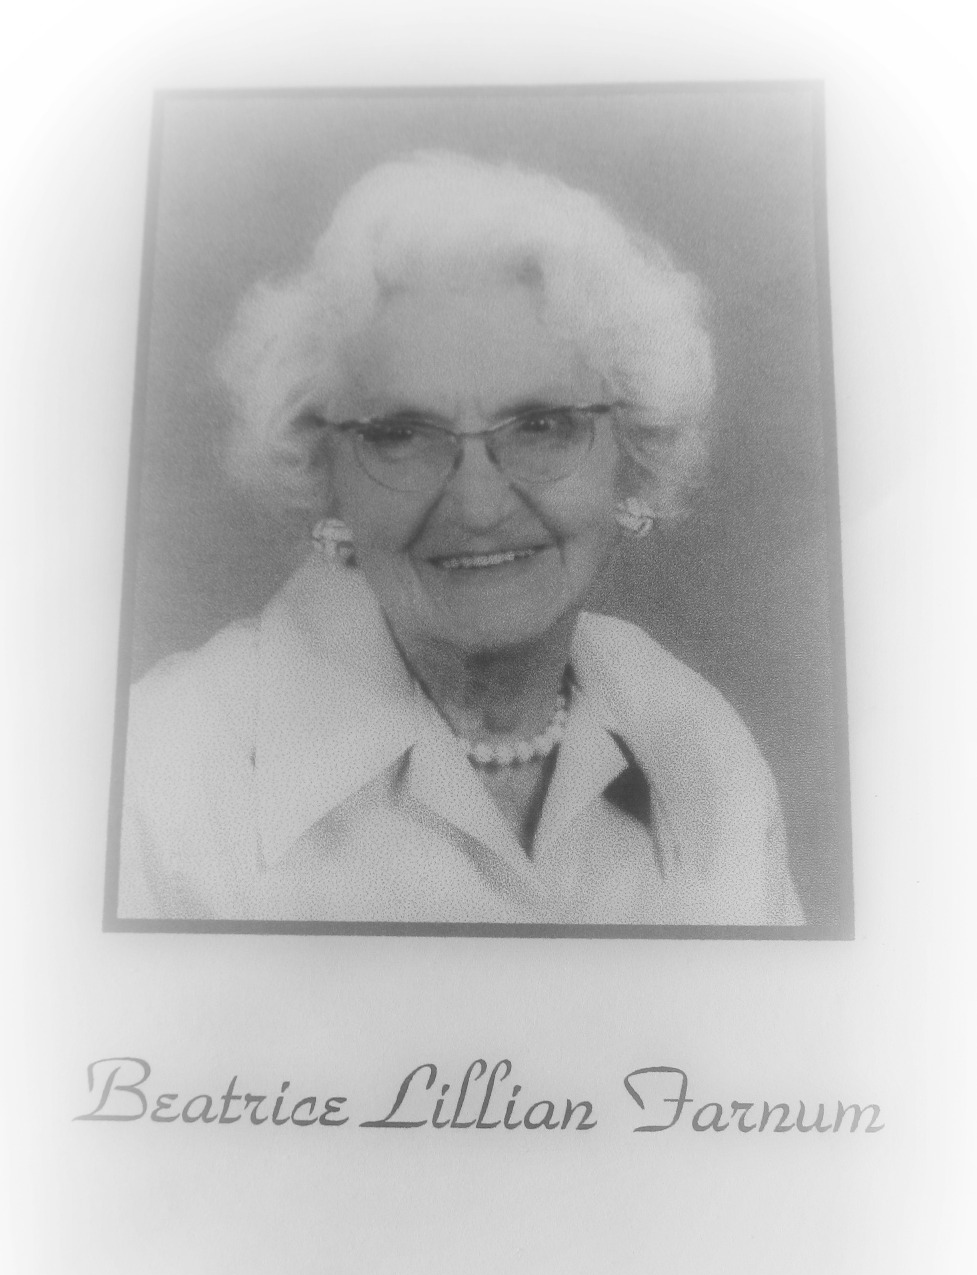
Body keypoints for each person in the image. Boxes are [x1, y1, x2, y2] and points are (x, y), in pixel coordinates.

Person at [117, 151, 803, 926]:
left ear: (632, 455)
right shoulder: (158, 777)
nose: (477, 505)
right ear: (323, 470)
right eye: (402, 436)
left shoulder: (695, 744)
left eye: (541, 426)